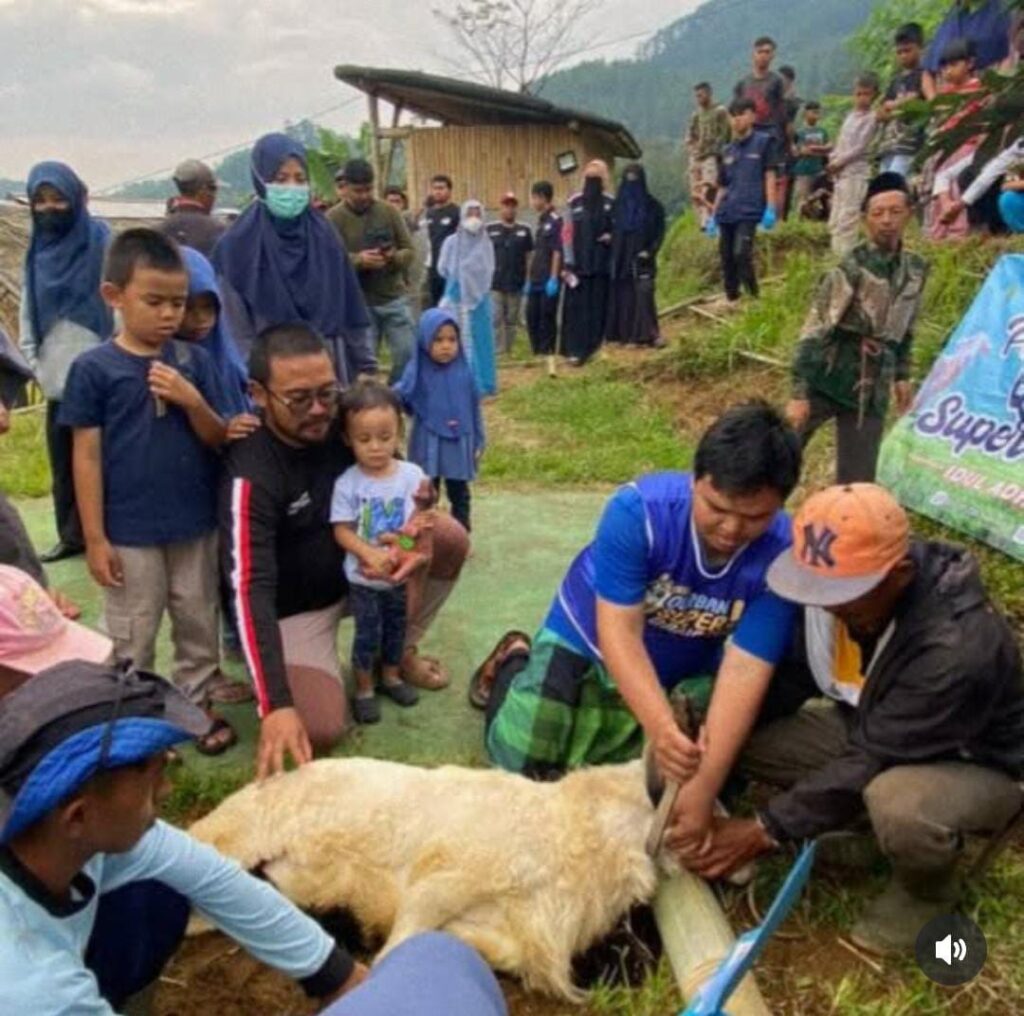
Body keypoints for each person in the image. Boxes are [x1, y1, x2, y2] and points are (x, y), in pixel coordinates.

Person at [675, 485, 1024, 955]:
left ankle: (927, 891)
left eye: (841, 594)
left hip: (976, 762)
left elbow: (877, 759)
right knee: (742, 736)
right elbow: (788, 683)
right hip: (876, 727)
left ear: (898, 574)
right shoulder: (834, 603)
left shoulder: (956, 646)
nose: (827, 605)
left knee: (899, 801)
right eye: (815, 589)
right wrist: (708, 730)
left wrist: (764, 829)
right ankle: (863, 828)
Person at [0, 659, 368, 1013]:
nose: (167, 791)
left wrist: (336, 975)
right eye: (154, 779)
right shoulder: (33, 986)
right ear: (77, 816)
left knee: (160, 891)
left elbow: (211, 876)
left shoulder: (57, 839)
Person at [479, 403, 802, 781]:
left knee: (661, 773)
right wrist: (661, 727)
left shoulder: (783, 555)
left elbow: (746, 668)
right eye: (717, 508)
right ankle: (514, 661)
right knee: (523, 764)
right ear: (695, 480)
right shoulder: (639, 512)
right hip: (588, 640)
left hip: (682, 663)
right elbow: (620, 632)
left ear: (781, 505)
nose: (731, 529)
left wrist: (699, 787)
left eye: (754, 518)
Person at [220, 323, 469, 779]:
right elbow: (247, 588)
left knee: (451, 538)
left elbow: (414, 491)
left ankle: (394, 654)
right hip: (296, 609)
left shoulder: (346, 427)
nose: (318, 411)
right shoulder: (251, 471)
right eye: (298, 399)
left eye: (327, 393)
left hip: (370, 573)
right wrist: (274, 703)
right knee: (319, 728)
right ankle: (324, 673)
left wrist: (417, 543)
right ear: (257, 394)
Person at [60, 229, 236, 755]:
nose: (168, 315)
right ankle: (133, 717)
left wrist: (190, 400)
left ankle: (195, 702)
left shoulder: (191, 363)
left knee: (197, 617)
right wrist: (94, 537)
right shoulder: (94, 369)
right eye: (154, 301)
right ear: (114, 296)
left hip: (193, 521)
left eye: (177, 303)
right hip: (129, 530)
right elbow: (85, 456)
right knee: (133, 628)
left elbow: (217, 437)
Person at [787, 173, 927, 484]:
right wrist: (799, 392)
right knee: (780, 459)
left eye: (895, 212)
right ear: (865, 219)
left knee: (858, 479)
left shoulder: (916, 269)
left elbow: (905, 328)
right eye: (877, 214)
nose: (886, 221)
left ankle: (846, 530)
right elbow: (815, 328)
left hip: (872, 385)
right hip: (827, 373)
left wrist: (902, 376)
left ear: (909, 214)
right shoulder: (851, 266)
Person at [212, 133, 375, 383]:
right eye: (281, 179)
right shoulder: (236, 246)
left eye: (300, 179)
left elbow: (350, 308)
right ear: (260, 180)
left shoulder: (325, 237)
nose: (292, 187)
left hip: (327, 372)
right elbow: (236, 331)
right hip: (271, 379)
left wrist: (366, 367)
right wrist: (254, 383)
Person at [19, 161, 114, 564]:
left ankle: (111, 531)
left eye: (58, 198)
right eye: (40, 200)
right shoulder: (36, 250)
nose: (50, 207)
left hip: (102, 371)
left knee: (105, 457)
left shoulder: (102, 241)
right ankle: (70, 535)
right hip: (56, 374)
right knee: (63, 464)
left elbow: (119, 298)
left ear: (76, 198)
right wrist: (33, 362)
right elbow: (28, 309)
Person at [330, 383, 424, 725]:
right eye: (364, 439)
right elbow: (342, 530)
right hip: (364, 579)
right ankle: (365, 688)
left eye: (385, 437)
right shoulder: (348, 483)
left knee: (397, 628)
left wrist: (403, 548)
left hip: (399, 576)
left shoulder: (412, 477)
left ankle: (392, 677)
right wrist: (369, 553)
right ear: (347, 438)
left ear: (399, 430)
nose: (376, 447)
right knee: (367, 632)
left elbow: (419, 524)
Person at [396, 308, 485, 533]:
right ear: (425, 340)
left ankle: (461, 534)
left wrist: (478, 440)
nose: (446, 345)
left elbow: (474, 409)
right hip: (428, 442)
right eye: (438, 339)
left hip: (458, 441)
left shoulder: (465, 372)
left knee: (459, 493)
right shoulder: (417, 371)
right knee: (426, 492)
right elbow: (402, 396)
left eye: (452, 339)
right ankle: (425, 534)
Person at [328, 159, 416, 382]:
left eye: (368, 189)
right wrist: (358, 260)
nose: (364, 195)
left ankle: (395, 393)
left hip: (392, 298)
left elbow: (409, 250)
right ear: (345, 188)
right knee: (365, 365)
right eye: (358, 191)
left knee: (407, 353)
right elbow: (327, 260)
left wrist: (392, 257)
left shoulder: (388, 212)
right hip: (358, 303)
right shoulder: (332, 219)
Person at [710, 99, 778, 304]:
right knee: (726, 257)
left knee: (741, 253)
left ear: (752, 116)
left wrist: (771, 208)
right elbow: (722, 186)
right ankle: (733, 299)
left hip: (749, 210)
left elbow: (770, 176)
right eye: (733, 115)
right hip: (727, 211)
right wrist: (713, 216)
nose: (737, 119)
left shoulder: (764, 142)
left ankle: (754, 298)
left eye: (741, 113)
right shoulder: (727, 150)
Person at [178, 246, 255, 421]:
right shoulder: (170, 364)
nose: (201, 318)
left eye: (208, 307)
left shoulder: (227, 356)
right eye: (188, 308)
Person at [927, 38, 986, 241]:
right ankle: (939, 230)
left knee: (956, 186)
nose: (948, 71)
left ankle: (958, 231)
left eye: (954, 65)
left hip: (968, 146)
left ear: (969, 64)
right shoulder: (945, 94)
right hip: (947, 146)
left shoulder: (980, 89)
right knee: (941, 184)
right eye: (944, 67)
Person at [438, 200, 497, 397]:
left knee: (481, 340)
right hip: (456, 297)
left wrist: (473, 282)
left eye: (477, 213)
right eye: (469, 213)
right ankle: (462, 383)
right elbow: (443, 268)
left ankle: (484, 383)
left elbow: (489, 270)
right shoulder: (451, 242)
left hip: (480, 299)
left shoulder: (486, 243)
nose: (473, 218)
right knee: (459, 339)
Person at [561, 160, 615, 366]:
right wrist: (568, 261)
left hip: (601, 267)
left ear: (605, 180)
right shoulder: (574, 203)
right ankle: (575, 351)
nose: (593, 182)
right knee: (577, 311)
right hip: (578, 267)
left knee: (599, 308)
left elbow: (618, 231)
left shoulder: (611, 202)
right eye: (589, 177)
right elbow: (566, 233)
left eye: (597, 178)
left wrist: (611, 237)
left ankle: (598, 348)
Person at [606, 164, 666, 347]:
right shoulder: (616, 208)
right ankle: (623, 336)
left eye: (635, 179)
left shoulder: (653, 207)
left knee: (644, 293)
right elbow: (608, 229)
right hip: (621, 259)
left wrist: (650, 251)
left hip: (643, 259)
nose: (631, 185)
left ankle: (649, 335)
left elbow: (659, 233)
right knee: (624, 296)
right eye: (628, 179)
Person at [828, 73, 880, 258]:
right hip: (841, 174)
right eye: (858, 94)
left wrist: (839, 161)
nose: (861, 99)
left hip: (856, 172)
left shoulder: (872, 118)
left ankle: (846, 257)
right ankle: (836, 254)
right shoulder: (850, 116)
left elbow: (860, 146)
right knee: (836, 217)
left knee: (848, 217)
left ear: (874, 95)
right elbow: (841, 141)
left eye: (866, 94)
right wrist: (833, 159)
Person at [733, 36, 787, 206]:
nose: (763, 55)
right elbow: (735, 111)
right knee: (749, 173)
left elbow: (781, 110)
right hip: (749, 134)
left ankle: (772, 216)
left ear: (773, 56)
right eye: (760, 52)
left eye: (767, 52)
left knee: (771, 175)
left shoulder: (776, 81)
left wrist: (785, 139)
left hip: (770, 133)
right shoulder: (743, 83)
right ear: (753, 54)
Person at [874, 23, 930, 180]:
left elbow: (922, 103)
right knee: (884, 185)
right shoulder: (896, 80)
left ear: (920, 48)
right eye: (899, 52)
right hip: (889, 144)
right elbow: (880, 113)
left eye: (908, 50)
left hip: (909, 145)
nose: (903, 55)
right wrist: (900, 106)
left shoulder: (924, 75)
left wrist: (895, 106)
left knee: (896, 183)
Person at [941, 133, 1024, 233]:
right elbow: (989, 175)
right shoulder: (1015, 146)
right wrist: (954, 203)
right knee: (1008, 198)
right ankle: (982, 227)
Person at [486, 193, 534, 355]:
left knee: (511, 320)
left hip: (516, 282)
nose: (509, 209)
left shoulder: (524, 230)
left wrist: (528, 279)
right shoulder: (490, 229)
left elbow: (529, 257)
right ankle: (498, 351)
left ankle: (510, 349)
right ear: (501, 208)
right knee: (496, 318)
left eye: (512, 206)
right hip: (495, 282)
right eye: (506, 205)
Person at [158, 158, 226, 258]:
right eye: (213, 190)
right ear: (204, 190)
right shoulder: (219, 230)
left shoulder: (156, 232)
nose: (214, 197)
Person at [524, 181, 563, 357]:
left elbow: (557, 251)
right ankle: (537, 351)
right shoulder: (540, 222)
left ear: (541, 197)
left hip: (548, 278)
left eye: (533, 197)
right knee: (532, 316)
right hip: (536, 278)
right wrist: (528, 279)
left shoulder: (556, 221)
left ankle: (548, 353)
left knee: (546, 317)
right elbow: (535, 253)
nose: (532, 201)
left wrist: (554, 277)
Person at [687, 82, 732, 230]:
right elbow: (690, 134)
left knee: (709, 186)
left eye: (701, 95)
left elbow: (725, 135)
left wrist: (716, 151)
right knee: (695, 188)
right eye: (696, 96)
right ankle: (700, 221)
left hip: (711, 156)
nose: (698, 98)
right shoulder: (696, 114)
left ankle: (709, 219)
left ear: (709, 94)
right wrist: (692, 148)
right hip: (696, 156)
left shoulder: (720, 111)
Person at [385, 185, 428, 317]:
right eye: (390, 201)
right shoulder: (378, 223)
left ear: (403, 204)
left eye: (397, 201)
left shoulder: (409, 224)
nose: (393, 205)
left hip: (410, 277)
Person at [425, 175, 460, 307]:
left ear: (449, 191)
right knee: (436, 305)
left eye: (441, 188)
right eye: (434, 188)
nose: (437, 191)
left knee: (451, 305)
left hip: (451, 270)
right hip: (434, 268)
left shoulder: (457, 212)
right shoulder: (430, 213)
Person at [791, 102, 831, 215]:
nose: (816, 115)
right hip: (803, 171)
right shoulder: (799, 132)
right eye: (813, 112)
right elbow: (799, 151)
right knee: (802, 200)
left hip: (819, 171)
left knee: (817, 198)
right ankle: (800, 223)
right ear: (805, 113)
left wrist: (814, 149)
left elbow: (830, 146)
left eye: (818, 112)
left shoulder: (822, 131)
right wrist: (820, 149)